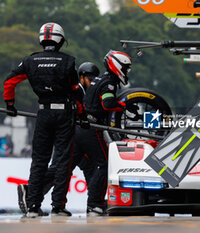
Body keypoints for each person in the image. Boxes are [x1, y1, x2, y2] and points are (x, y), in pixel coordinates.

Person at [3, 22, 88, 218]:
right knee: (63, 161)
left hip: (43, 114)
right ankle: (58, 206)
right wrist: (82, 115)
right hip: (64, 115)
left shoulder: (30, 61)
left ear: (42, 39)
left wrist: (10, 105)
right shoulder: (68, 61)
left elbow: (9, 82)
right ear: (60, 40)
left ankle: (33, 206)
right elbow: (76, 91)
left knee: (39, 161)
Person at [17, 62, 100, 215]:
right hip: (69, 133)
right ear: (81, 77)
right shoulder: (77, 89)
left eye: (94, 78)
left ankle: (94, 203)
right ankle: (31, 190)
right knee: (61, 168)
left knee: (84, 168)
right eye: (89, 78)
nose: (91, 81)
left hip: (75, 134)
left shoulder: (87, 90)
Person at [81, 50, 133, 216]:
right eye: (126, 68)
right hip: (92, 128)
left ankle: (31, 193)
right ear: (117, 66)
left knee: (64, 166)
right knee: (104, 164)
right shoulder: (109, 82)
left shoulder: (99, 79)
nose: (127, 72)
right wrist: (125, 106)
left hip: (80, 128)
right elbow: (108, 103)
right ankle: (94, 205)